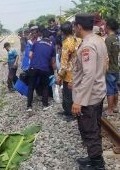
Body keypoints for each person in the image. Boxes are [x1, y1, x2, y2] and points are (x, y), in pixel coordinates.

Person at [72, 14, 107, 170]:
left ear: (79, 26)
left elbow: (89, 74)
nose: (74, 29)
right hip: (97, 92)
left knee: (89, 129)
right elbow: (103, 65)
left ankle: (97, 164)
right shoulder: (98, 40)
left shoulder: (87, 46)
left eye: (74, 26)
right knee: (94, 127)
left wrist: (79, 100)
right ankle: (93, 157)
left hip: (89, 97)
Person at [56, 21, 82, 121]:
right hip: (78, 71)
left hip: (69, 73)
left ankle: (70, 114)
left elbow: (64, 62)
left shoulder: (66, 43)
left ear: (63, 32)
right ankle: (68, 111)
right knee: (74, 93)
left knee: (68, 94)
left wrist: (59, 77)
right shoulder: (79, 39)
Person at [27, 29, 56, 112]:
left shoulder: (36, 43)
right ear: (50, 37)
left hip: (33, 67)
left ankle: (29, 106)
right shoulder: (52, 46)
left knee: (31, 87)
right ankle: (45, 105)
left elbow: (30, 55)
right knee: (45, 86)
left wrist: (35, 62)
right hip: (44, 68)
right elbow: (53, 62)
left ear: (42, 36)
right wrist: (55, 72)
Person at [104, 18, 120, 115]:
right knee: (115, 88)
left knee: (109, 90)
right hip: (116, 67)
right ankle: (115, 107)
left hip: (110, 68)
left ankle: (109, 109)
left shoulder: (108, 39)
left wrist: (104, 69)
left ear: (108, 27)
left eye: (105, 25)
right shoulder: (116, 38)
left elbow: (106, 56)